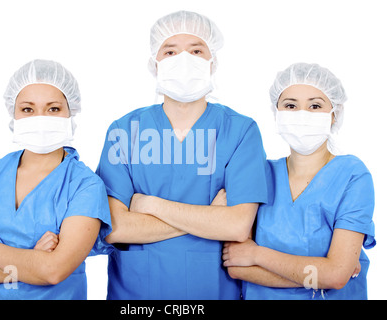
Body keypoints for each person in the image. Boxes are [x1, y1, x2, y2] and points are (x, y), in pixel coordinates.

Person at [96, 11, 268, 300]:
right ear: (155, 62)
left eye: (197, 50)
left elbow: (237, 226)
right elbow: (116, 228)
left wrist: (149, 204)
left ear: (212, 62)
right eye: (171, 51)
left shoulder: (240, 131)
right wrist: (210, 217)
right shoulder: (124, 132)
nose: (184, 60)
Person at [0, 59, 112, 300]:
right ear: (14, 114)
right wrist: (29, 263)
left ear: (70, 112)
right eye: (27, 109)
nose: (40, 118)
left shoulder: (85, 185)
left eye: (53, 109)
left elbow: (52, 271)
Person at [222, 62, 376, 300]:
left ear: (334, 114)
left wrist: (256, 256)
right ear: (277, 112)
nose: (302, 114)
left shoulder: (352, 175)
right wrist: (323, 272)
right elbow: (235, 266)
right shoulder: (260, 173)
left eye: (315, 105)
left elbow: (335, 276)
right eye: (290, 105)